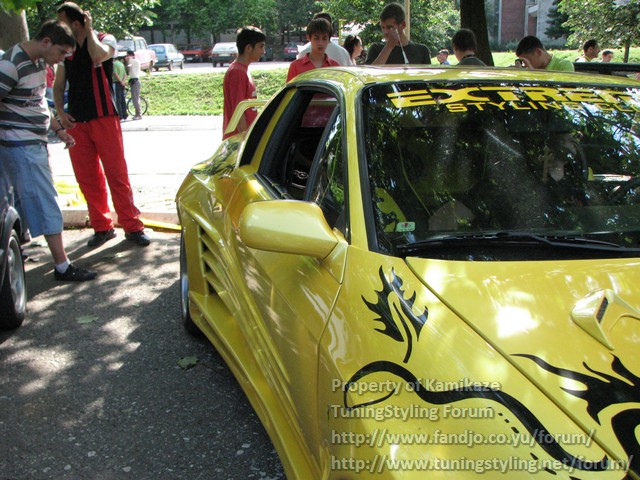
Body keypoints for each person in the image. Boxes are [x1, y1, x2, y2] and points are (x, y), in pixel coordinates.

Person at [0, 20, 97, 281]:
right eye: (61, 52)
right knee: (45, 201)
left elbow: (37, 103)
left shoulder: (39, 63)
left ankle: (18, 253)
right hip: (19, 146)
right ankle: (62, 265)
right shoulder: (10, 65)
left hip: (33, 143)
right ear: (46, 42)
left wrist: (58, 130)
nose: (61, 59)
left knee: (24, 202)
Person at [56, 2, 151, 248]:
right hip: (76, 121)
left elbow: (98, 56)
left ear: (76, 23)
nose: (59, 28)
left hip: (105, 117)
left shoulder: (104, 39)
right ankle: (102, 227)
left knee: (116, 174)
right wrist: (60, 113)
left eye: (62, 23)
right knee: (87, 178)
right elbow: (58, 82)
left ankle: (132, 226)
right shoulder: (65, 48)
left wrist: (89, 31)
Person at [222, 26, 266, 140]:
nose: (263, 51)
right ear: (248, 48)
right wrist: (245, 140)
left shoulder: (242, 70)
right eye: (261, 46)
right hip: (238, 139)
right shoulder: (237, 72)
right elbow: (238, 111)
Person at [365, 3, 431, 65]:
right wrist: (389, 47)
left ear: (403, 25)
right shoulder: (376, 49)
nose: (385, 32)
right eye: (383, 27)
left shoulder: (421, 50)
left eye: (390, 27)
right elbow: (370, 72)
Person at [126, 50, 142, 120]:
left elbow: (128, 68)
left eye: (127, 55)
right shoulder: (137, 61)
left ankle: (138, 114)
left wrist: (127, 62)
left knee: (135, 98)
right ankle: (137, 113)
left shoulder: (132, 61)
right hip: (135, 80)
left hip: (134, 80)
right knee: (136, 98)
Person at [112, 53, 127, 120]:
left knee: (117, 100)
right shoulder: (121, 64)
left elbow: (115, 73)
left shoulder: (114, 64)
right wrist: (123, 81)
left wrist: (120, 81)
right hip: (122, 83)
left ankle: (120, 116)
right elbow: (125, 75)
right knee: (122, 99)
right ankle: (124, 114)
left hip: (116, 83)